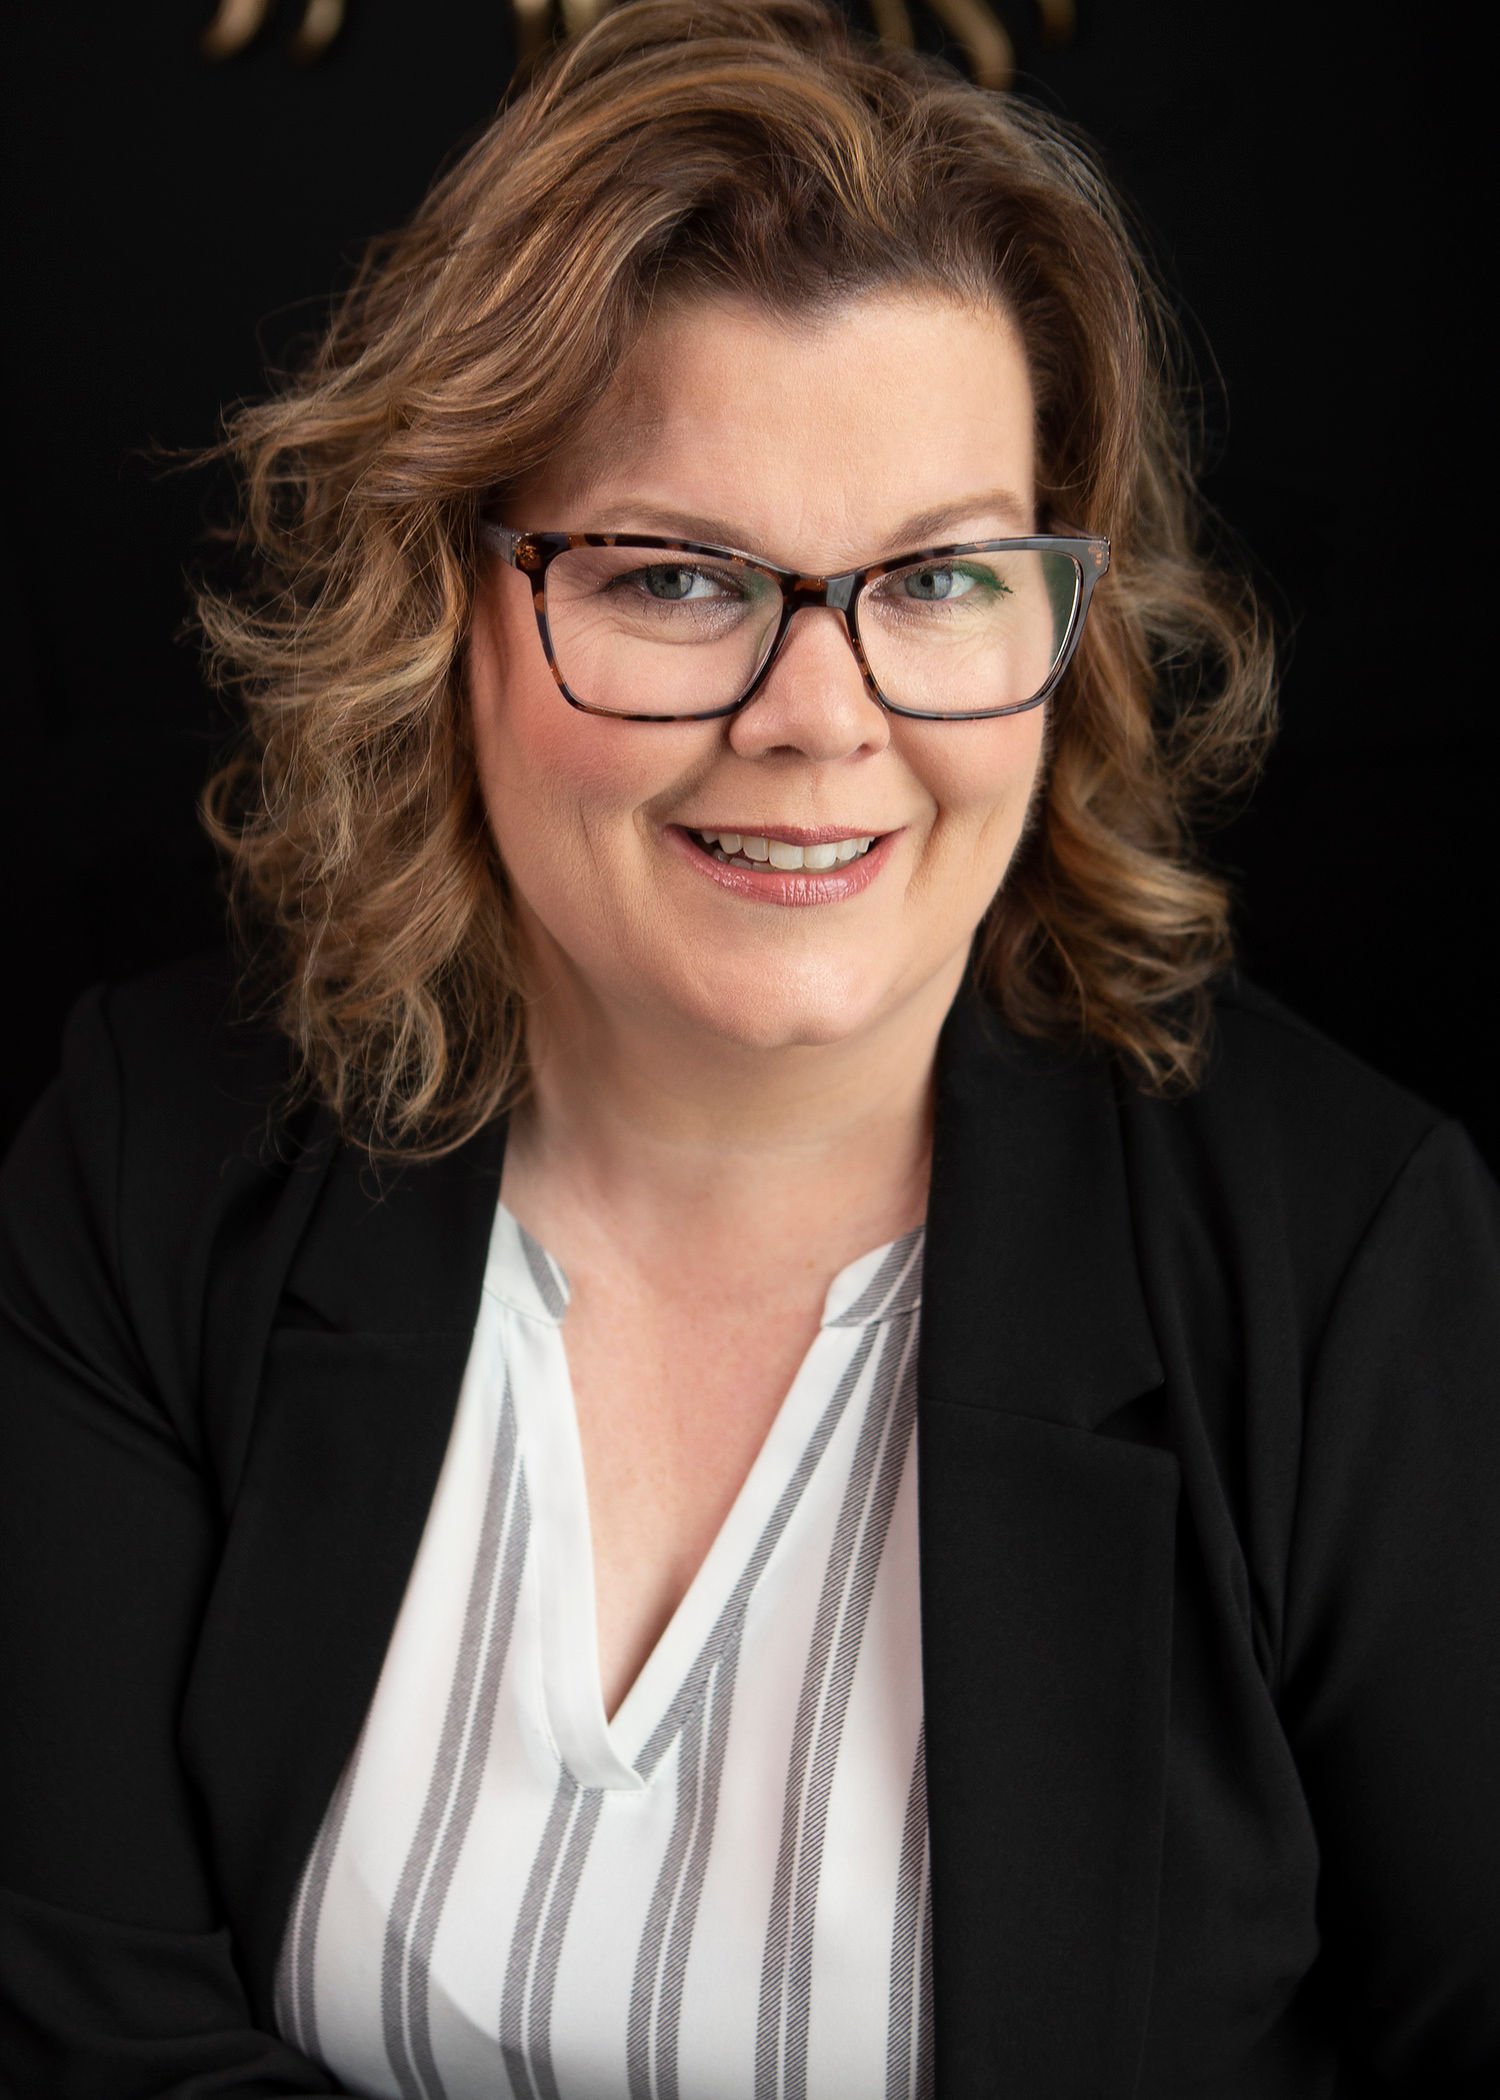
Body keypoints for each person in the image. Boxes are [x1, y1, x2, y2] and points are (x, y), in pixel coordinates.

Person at [1, 1, 1496, 2093]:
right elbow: (89, 2035)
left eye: (947, 575)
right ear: (445, 611)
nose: (821, 715)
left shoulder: (1347, 1265)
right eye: (678, 577)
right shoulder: (156, 1158)